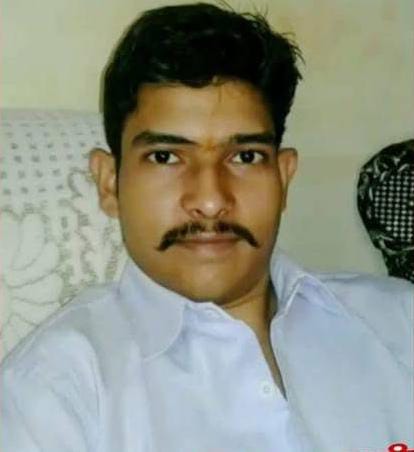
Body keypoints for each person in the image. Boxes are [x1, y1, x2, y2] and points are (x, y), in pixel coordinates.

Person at [1, 3, 413, 451]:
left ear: (283, 177)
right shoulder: (54, 393)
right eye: (165, 157)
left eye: (245, 157)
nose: (211, 199)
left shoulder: (398, 322)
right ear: (110, 183)